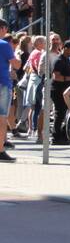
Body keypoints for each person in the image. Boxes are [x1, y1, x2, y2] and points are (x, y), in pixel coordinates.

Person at [0, 21, 21, 161]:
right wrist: (17, 56)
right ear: (3, 28)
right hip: (2, 84)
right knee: (1, 119)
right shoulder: (4, 45)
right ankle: (0, 150)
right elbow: (16, 64)